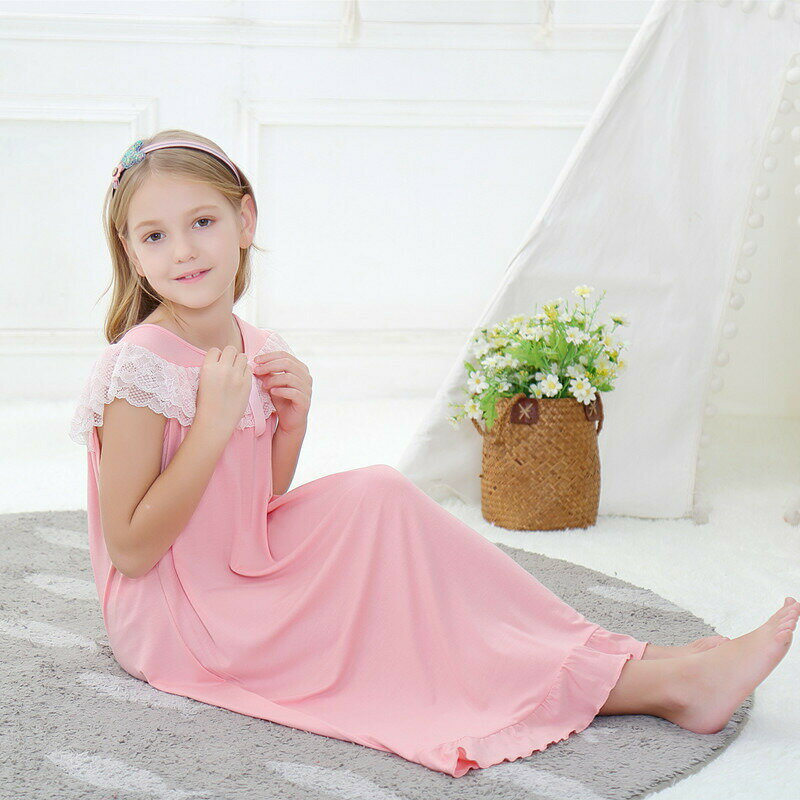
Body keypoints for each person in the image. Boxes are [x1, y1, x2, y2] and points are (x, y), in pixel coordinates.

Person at [69, 129, 798, 778]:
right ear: (131, 251)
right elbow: (131, 550)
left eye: (202, 222)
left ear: (245, 220)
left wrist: (291, 424)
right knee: (400, 623)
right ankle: (658, 688)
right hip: (176, 618)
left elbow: (250, 507)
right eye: (155, 236)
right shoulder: (141, 366)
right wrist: (211, 427)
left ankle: (620, 656)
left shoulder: (254, 346)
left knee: (379, 494)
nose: (184, 250)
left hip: (236, 568)